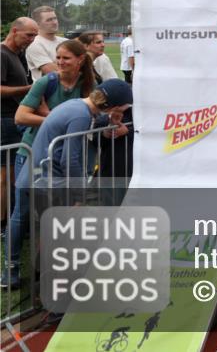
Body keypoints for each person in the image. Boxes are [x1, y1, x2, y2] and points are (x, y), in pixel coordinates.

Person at [2, 80, 131, 288]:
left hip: (36, 177)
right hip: (47, 181)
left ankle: (42, 277)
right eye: (123, 108)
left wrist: (107, 124)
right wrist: (79, 195)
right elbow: (70, 159)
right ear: (114, 105)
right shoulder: (80, 115)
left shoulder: (77, 107)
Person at [1, 18, 38, 223]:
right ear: (14, 31)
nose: (32, 40)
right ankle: (4, 223)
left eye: (34, 36)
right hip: (5, 120)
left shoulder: (19, 54)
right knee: (6, 176)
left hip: (18, 119)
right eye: (29, 35)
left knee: (16, 174)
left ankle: (15, 217)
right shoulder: (2, 54)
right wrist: (29, 90)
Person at [24, 6, 66, 81]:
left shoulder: (65, 41)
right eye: (49, 20)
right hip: (48, 91)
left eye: (55, 18)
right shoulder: (34, 44)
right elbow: (54, 72)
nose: (54, 22)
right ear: (37, 24)